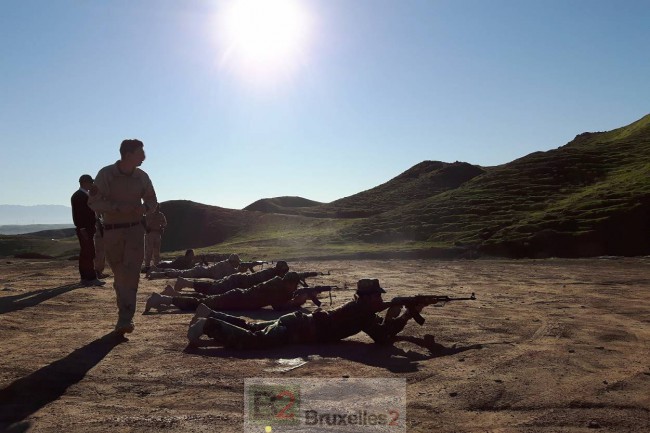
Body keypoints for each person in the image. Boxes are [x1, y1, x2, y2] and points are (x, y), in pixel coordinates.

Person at [186, 278, 424, 349]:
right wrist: (405, 315)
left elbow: (380, 327)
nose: (381, 299)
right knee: (254, 340)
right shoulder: (362, 312)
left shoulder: (360, 308)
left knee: (253, 326)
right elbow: (382, 337)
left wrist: (396, 312)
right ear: (369, 298)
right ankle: (208, 325)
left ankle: (211, 314)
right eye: (378, 297)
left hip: (298, 323)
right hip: (298, 329)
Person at [88, 139, 158, 335]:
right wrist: (117, 207)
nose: (144, 157)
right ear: (128, 154)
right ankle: (123, 314)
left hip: (135, 230)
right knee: (119, 275)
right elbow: (93, 202)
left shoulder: (142, 177)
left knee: (132, 273)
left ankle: (126, 319)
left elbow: (152, 200)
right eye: (140, 152)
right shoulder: (106, 174)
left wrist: (144, 208)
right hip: (112, 231)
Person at [144, 271, 307, 313]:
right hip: (235, 299)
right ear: (289, 283)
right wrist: (296, 302)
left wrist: (293, 298)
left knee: (204, 299)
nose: (295, 289)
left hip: (236, 297)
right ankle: (162, 299)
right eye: (295, 286)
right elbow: (278, 306)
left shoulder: (278, 284)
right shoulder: (277, 288)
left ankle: (169, 297)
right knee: (202, 303)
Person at [172, 260, 290, 294]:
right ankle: (185, 283)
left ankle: (185, 284)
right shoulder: (272, 275)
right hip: (237, 282)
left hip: (238, 280)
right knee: (213, 290)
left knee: (213, 288)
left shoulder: (271, 273)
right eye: (284, 272)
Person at [71, 174, 104, 287]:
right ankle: (89, 278)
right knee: (88, 253)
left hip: (87, 228)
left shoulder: (85, 195)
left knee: (86, 253)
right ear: (84, 183)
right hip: (84, 229)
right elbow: (78, 215)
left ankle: (85, 277)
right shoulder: (79, 196)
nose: (92, 184)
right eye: (90, 182)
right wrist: (82, 228)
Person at [146, 253, 240, 280]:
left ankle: (158, 270)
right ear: (233, 261)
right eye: (237, 262)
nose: (237, 264)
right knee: (178, 273)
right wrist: (237, 272)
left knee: (178, 272)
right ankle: (155, 273)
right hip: (199, 272)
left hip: (200, 270)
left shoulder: (226, 264)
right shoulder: (227, 266)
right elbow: (218, 277)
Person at [143, 204, 167, 272]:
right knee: (149, 251)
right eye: (156, 207)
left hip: (157, 233)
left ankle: (156, 265)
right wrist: (146, 228)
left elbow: (165, 223)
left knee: (157, 251)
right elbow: (143, 221)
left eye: (158, 207)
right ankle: (147, 266)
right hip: (150, 234)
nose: (157, 208)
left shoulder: (161, 215)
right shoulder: (149, 214)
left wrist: (162, 227)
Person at [93, 212, 109, 279]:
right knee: (99, 251)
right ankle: (97, 271)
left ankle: (99, 271)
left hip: (101, 229)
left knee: (102, 251)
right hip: (99, 230)